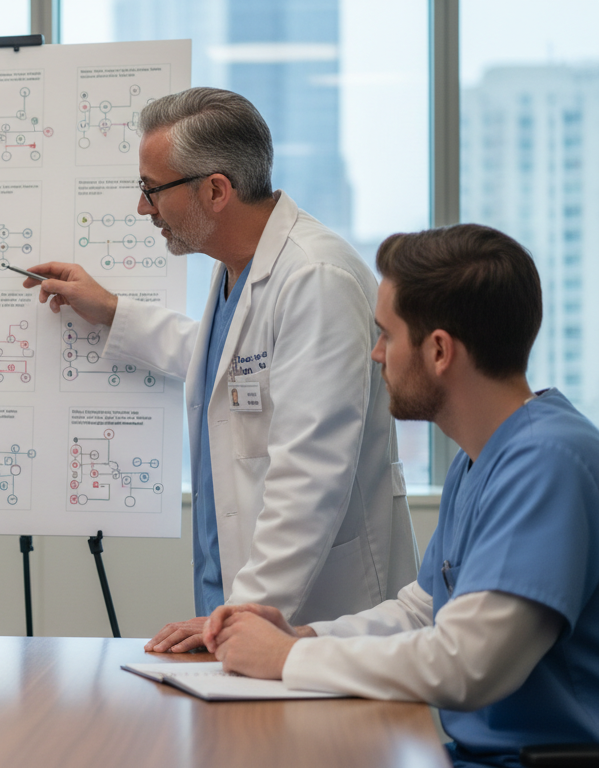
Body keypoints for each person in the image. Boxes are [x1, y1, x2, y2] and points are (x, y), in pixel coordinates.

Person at [22, 87, 418, 652]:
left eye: (151, 190)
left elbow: (310, 474)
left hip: (324, 620)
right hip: (245, 607)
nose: (143, 209)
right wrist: (112, 312)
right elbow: (231, 372)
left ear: (215, 190)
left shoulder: (316, 278)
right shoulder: (239, 267)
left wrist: (239, 618)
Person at [203, 224, 599, 767]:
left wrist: (289, 658)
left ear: (439, 351)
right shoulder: (482, 457)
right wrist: (305, 635)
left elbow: (466, 664)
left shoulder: (546, 462)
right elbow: (423, 611)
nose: (375, 354)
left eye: (387, 335)